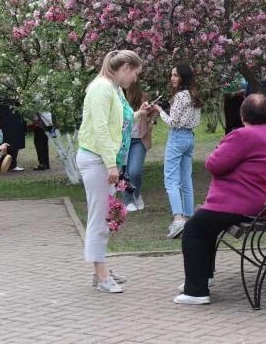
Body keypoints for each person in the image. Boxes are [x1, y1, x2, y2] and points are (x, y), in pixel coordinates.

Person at [174, 94, 266, 305]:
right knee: (205, 225)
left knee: (194, 228)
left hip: (237, 203)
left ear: (242, 115)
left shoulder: (241, 136)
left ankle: (196, 291)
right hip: (262, 202)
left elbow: (214, 165)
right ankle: (204, 277)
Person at [77, 49, 142, 293]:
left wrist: (140, 114)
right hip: (97, 159)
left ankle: (100, 269)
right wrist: (111, 164)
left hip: (104, 159)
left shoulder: (114, 89)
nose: (135, 79)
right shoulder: (102, 88)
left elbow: (119, 124)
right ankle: (101, 276)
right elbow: (101, 129)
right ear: (125, 67)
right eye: (135, 73)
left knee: (104, 217)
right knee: (100, 217)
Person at [152, 64, 203, 239]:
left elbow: (172, 122)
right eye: (172, 75)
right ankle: (188, 219)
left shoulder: (180, 96)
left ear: (183, 77)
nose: (172, 78)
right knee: (186, 180)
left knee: (171, 180)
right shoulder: (194, 94)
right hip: (189, 138)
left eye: (176, 75)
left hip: (177, 138)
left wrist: (159, 110)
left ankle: (178, 219)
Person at [123, 81, 157, 213]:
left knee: (135, 171)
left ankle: (136, 195)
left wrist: (151, 122)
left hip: (139, 139)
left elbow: (153, 112)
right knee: (125, 172)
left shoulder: (144, 97)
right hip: (123, 141)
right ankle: (128, 200)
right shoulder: (119, 98)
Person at [0, 95, 26, 171]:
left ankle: (11, 164)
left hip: (12, 122)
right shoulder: (2, 97)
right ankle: (6, 165)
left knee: (12, 143)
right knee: (8, 143)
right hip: (8, 122)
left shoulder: (13, 96)